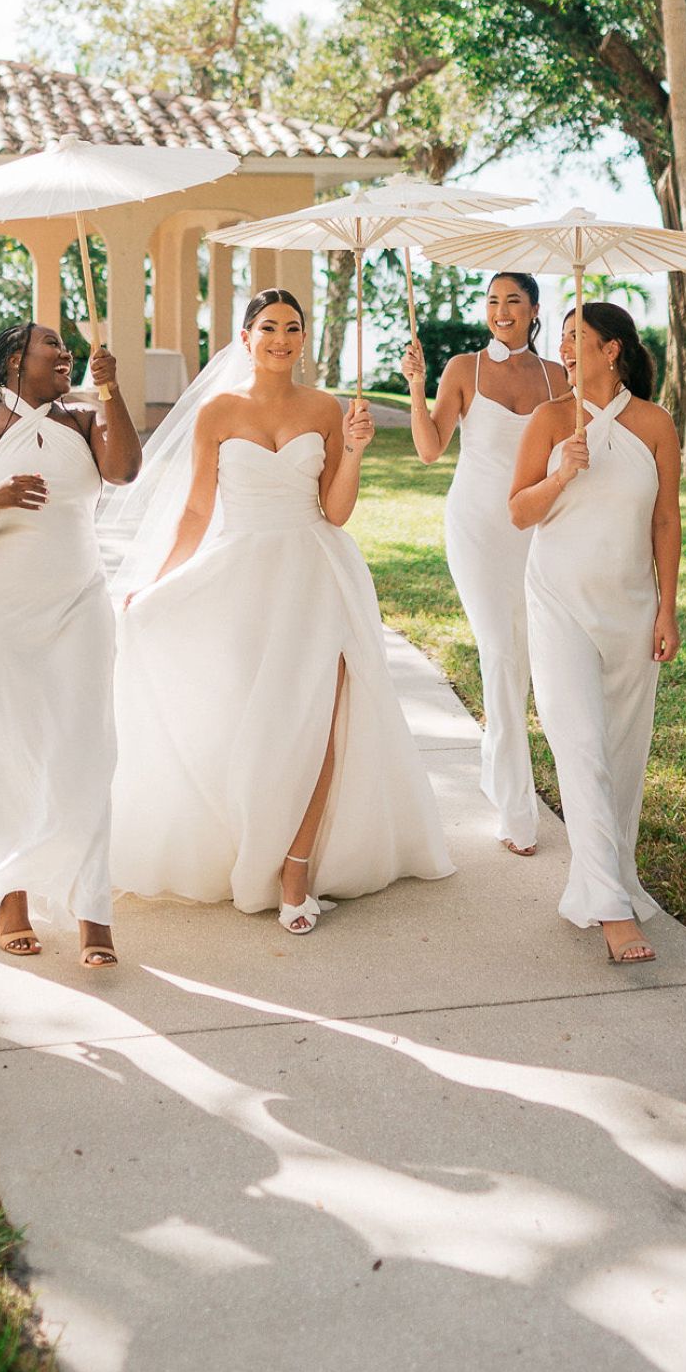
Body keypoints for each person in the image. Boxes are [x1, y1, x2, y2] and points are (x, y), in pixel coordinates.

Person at [111, 288, 451, 932]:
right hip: (242, 576)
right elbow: (196, 510)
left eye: (293, 328)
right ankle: (246, 841)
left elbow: (336, 511)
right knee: (260, 721)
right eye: (268, 327)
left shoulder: (324, 408)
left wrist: (354, 449)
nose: (282, 339)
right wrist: (157, 583)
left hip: (317, 573)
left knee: (321, 718)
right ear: (245, 338)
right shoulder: (217, 412)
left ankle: (297, 865)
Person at [0, 319, 142, 968]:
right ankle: (10, 901)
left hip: (79, 602)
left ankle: (92, 908)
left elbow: (125, 469)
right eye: (52, 344)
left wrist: (111, 391)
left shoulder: (84, 420)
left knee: (87, 748)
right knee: (6, 750)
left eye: (67, 347)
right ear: (14, 359)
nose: (65, 353)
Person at [509, 302, 681, 966]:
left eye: (576, 337)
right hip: (559, 602)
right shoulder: (550, 419)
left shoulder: (655, 423)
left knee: (622, 756)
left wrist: (667, 609)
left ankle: (609, 875)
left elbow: (665, 521)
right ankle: (612, 909)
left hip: (632, 607)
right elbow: (518, 511)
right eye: (561, 337)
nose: (563, 348)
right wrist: (562, 473)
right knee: (580, 746)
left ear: (612, 350)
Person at [403, 272, 569, 856]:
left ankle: (499, 770)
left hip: (538, 527)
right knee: (500, 652)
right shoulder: (464, 369)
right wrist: (417, 386)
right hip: (477, 526)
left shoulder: (558, 377)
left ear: (534, 310)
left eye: (513, 301)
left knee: (530, 654)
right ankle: (516, 808)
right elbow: (430, 449)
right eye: (493, 300)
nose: (501, 310)